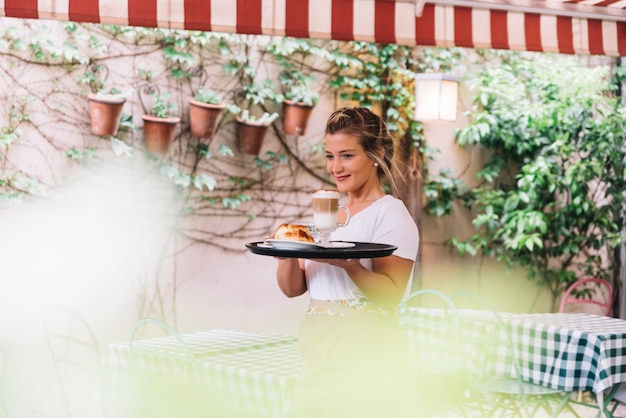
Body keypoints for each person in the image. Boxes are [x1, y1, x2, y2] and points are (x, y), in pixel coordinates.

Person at [276, 107, 420, 418]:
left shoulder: (390, 214)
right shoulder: (328, 216)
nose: (335, 167)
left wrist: (351, 265)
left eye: (346, 155)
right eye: (330, 156)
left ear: (375, 154)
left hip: (363, 352)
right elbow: (292, 289)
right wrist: (286, 250)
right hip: (318, 350)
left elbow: (391, 294)